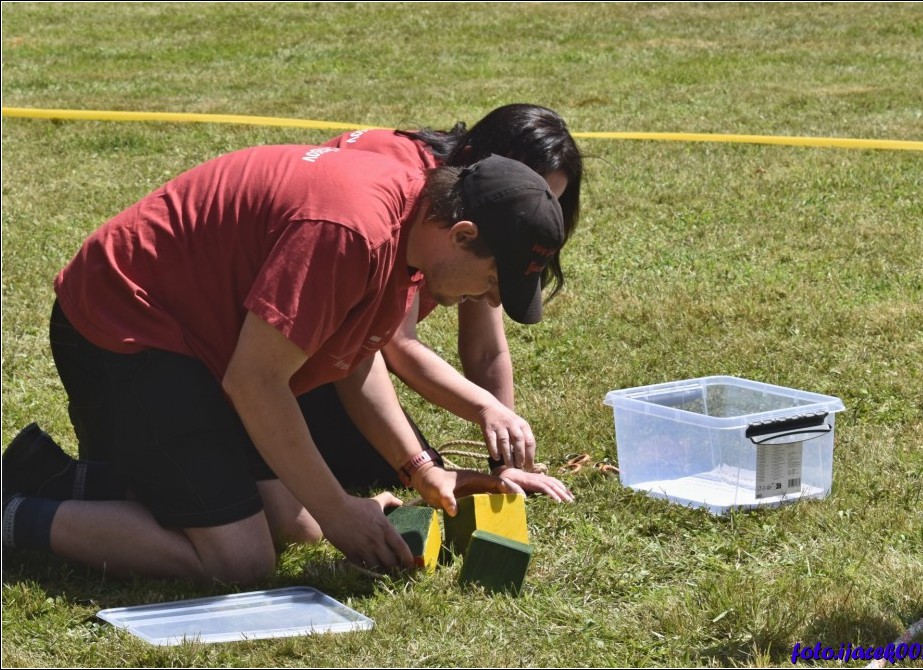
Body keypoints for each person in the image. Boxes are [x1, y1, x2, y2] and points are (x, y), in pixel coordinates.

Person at [2, 146, 565, 584]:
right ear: (462, 235)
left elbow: (354, 359)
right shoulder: (351, 232)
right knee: (238, 559)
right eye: (493, 280)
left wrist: (419, 469)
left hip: (199, 345)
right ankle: (12, 517)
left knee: (297, 523)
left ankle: (48, 476)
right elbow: (255, 381)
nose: (490, 300)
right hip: (123, 327)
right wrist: (342, 512)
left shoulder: (413, 224)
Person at [299, 104, 582, 501]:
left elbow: (484, 348)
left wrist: (506, 459)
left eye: (550, 202)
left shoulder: (483, 214)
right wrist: (477, 416)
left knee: (387, 465)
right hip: (293, 341)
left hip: (340, 349)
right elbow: (392, 343)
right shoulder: (420, 196)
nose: (536, 211)